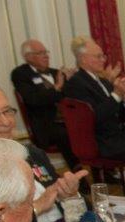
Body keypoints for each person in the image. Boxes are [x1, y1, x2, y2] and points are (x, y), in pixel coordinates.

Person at [63, 36, 125, 191]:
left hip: (115, 132)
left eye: (103, 56)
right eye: (98, 56)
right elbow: (93, 118)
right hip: (99, 140)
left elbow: (121, 118)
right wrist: (116, 95)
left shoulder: (103, 82)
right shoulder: (76, 84)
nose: (103, 60)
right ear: (83, 59)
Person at [0, 93, 86, 222]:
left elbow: (83, 213)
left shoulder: (33, 154)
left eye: (7, 111)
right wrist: (38, 206)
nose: (6, 122)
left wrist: (70, 195)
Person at [10, 39, 79, 169]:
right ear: (28, 57)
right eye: (40, 53)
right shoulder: (20, 74)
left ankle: (102, 171)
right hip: (46, 124)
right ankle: (78, 173)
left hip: (66, 119)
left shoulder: (55, 72)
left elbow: (70, 98)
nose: (46, 56)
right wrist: (57, 87)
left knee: (91, 124)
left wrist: (71, 82)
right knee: (65, 133)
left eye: (46, 52)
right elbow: (34, 100)